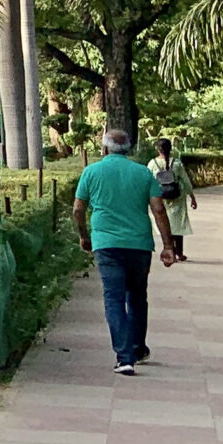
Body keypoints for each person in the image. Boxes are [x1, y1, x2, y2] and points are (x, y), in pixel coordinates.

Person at [73, 128, 174, 375]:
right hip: (139, 244)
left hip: (106, 244)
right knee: (138, 296)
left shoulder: (91, 172)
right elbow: (158, 210)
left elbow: (78, 210)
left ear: (104, 148)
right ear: (128, 149)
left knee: (114, 298)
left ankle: (124, 356)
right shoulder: (142, 173)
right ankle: (138, 348)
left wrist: (83, 236)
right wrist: (168, 246)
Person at [152, 136, 199, 259]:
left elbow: (147, 181)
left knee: (165, 223)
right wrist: (192, 196)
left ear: (158, 149)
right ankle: (179, 252)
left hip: (160, 196)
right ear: (170, 149)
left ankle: (169, 250)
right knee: (178, 224)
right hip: (177, 196)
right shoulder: (177, 163)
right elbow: (185, 180)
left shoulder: (153, 163)